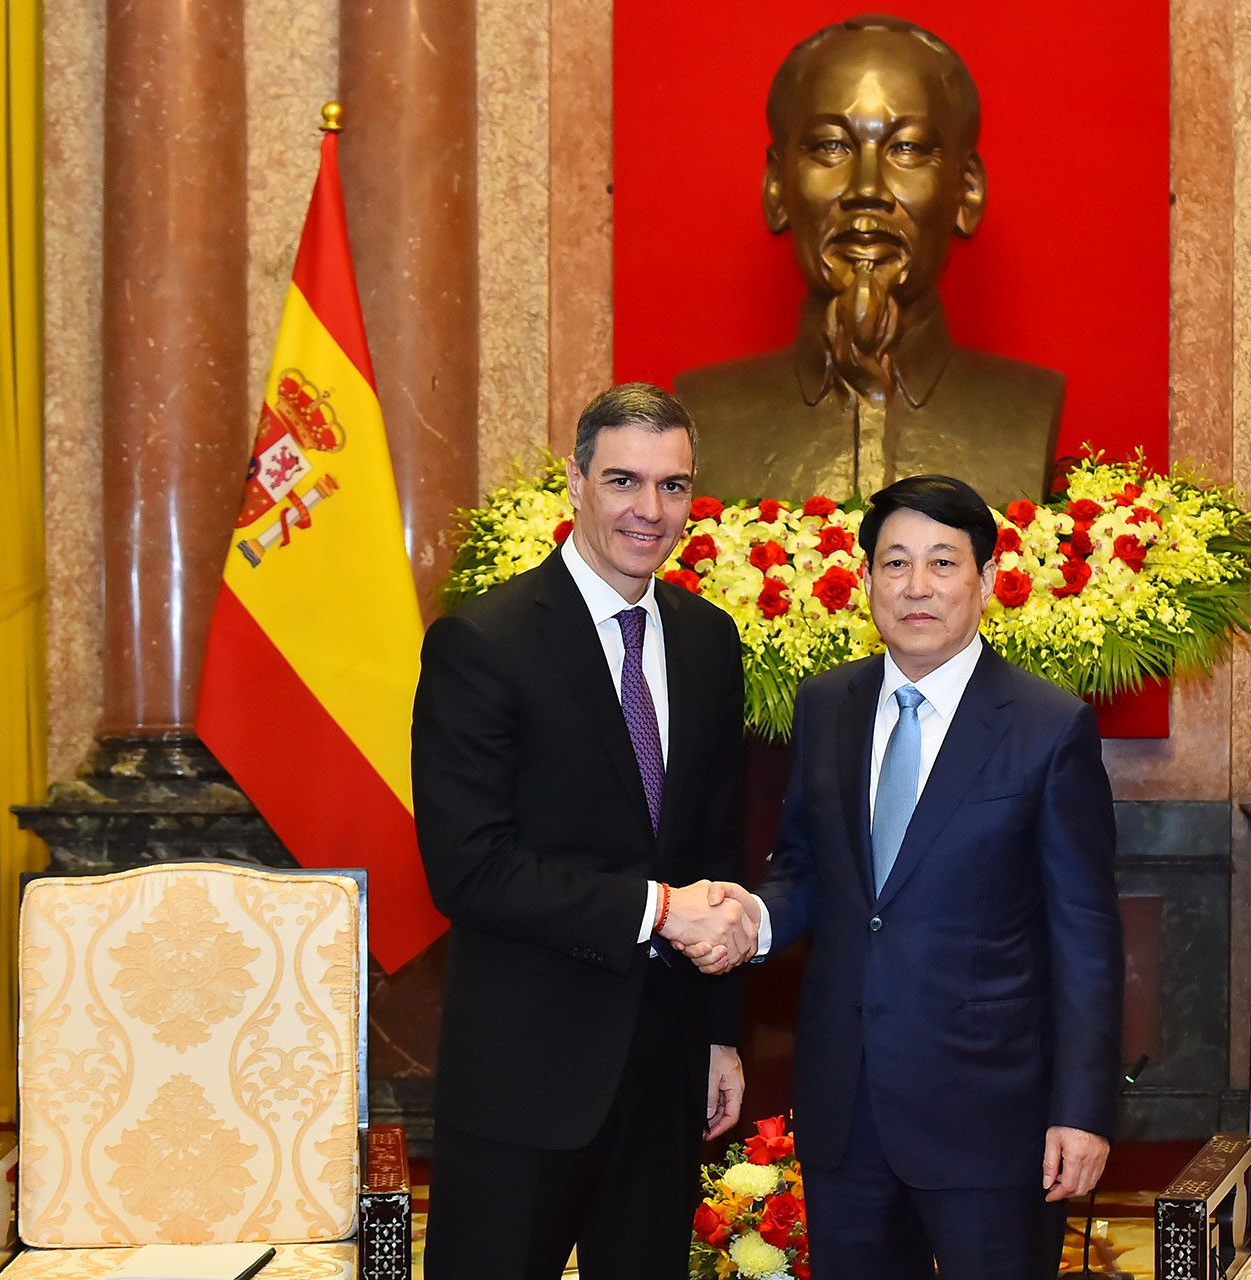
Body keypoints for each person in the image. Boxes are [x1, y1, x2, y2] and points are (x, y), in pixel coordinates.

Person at [693, 474, 1123, 1278]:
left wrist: (1081, 1111)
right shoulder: (829, 704)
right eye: (895, 563)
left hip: (993, 1119)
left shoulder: (1047, 725)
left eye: (941, 563)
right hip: (845, 1109)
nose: (916, 587)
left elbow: (1086, 937)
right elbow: (805, 867)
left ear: (987, 582)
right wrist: (752, 918)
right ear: (864, 582)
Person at [413, 383, 762, 1280]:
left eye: (674, 486)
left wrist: (721, 1033)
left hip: (665, 1074)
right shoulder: (482, 643)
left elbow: (717, 849)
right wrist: (656, 910)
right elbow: (469, 868)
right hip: (525, 1082)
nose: (651, 511)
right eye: (623, 481)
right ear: (574, 481)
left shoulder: (708, 641)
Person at [675, 16, 1063, 506]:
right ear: (777, 187)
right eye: (831, 147)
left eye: (907, 148)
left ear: (967, 190)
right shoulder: (707, 411)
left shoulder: (1026, 407)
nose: (866, 190)